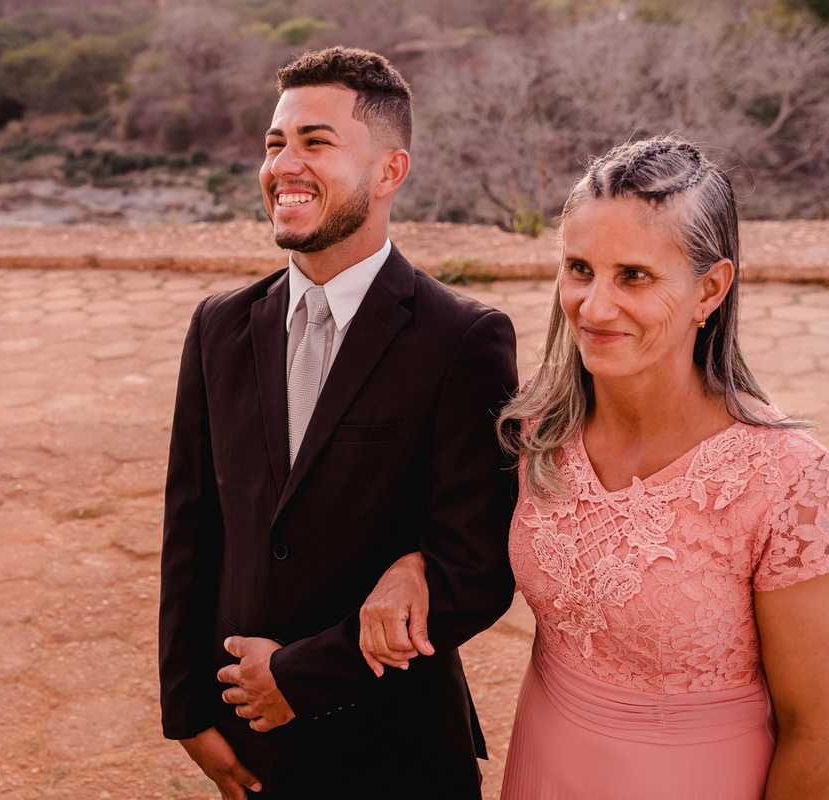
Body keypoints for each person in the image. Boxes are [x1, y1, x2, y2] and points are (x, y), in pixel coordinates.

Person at [358, 137, 829, 799]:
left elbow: (816, 736)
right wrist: (416, 562)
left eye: (634, 275)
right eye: (579, 268)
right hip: (545, 763)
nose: (594, 308)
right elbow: (469, 533)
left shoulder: (793, 484)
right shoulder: (537, 428)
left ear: (710, 289)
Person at [158, 47, 519, 799]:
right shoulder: (218, 326)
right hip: (250, 745)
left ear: (390, 172)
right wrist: (186, 708)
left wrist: (295, 676)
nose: (283, 165)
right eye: (274, 143)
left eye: (315, 142)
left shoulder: (463, 339)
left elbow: (475, 572)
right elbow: (191, 529)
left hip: (396, 746)